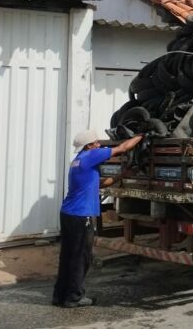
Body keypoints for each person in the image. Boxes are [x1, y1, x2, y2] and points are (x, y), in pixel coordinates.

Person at [52, 130, 144, 308]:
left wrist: (121, 175)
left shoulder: (78, 162)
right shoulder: (90, 155)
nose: (99, 145)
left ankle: (60, 295)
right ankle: (74, 297)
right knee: (81, 257)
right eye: (96, 143)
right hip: (81, 216)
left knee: (68, 256)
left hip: (68, 214)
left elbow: (99, 184)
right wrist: (141, 135)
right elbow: (122, 148)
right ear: (88, 146)